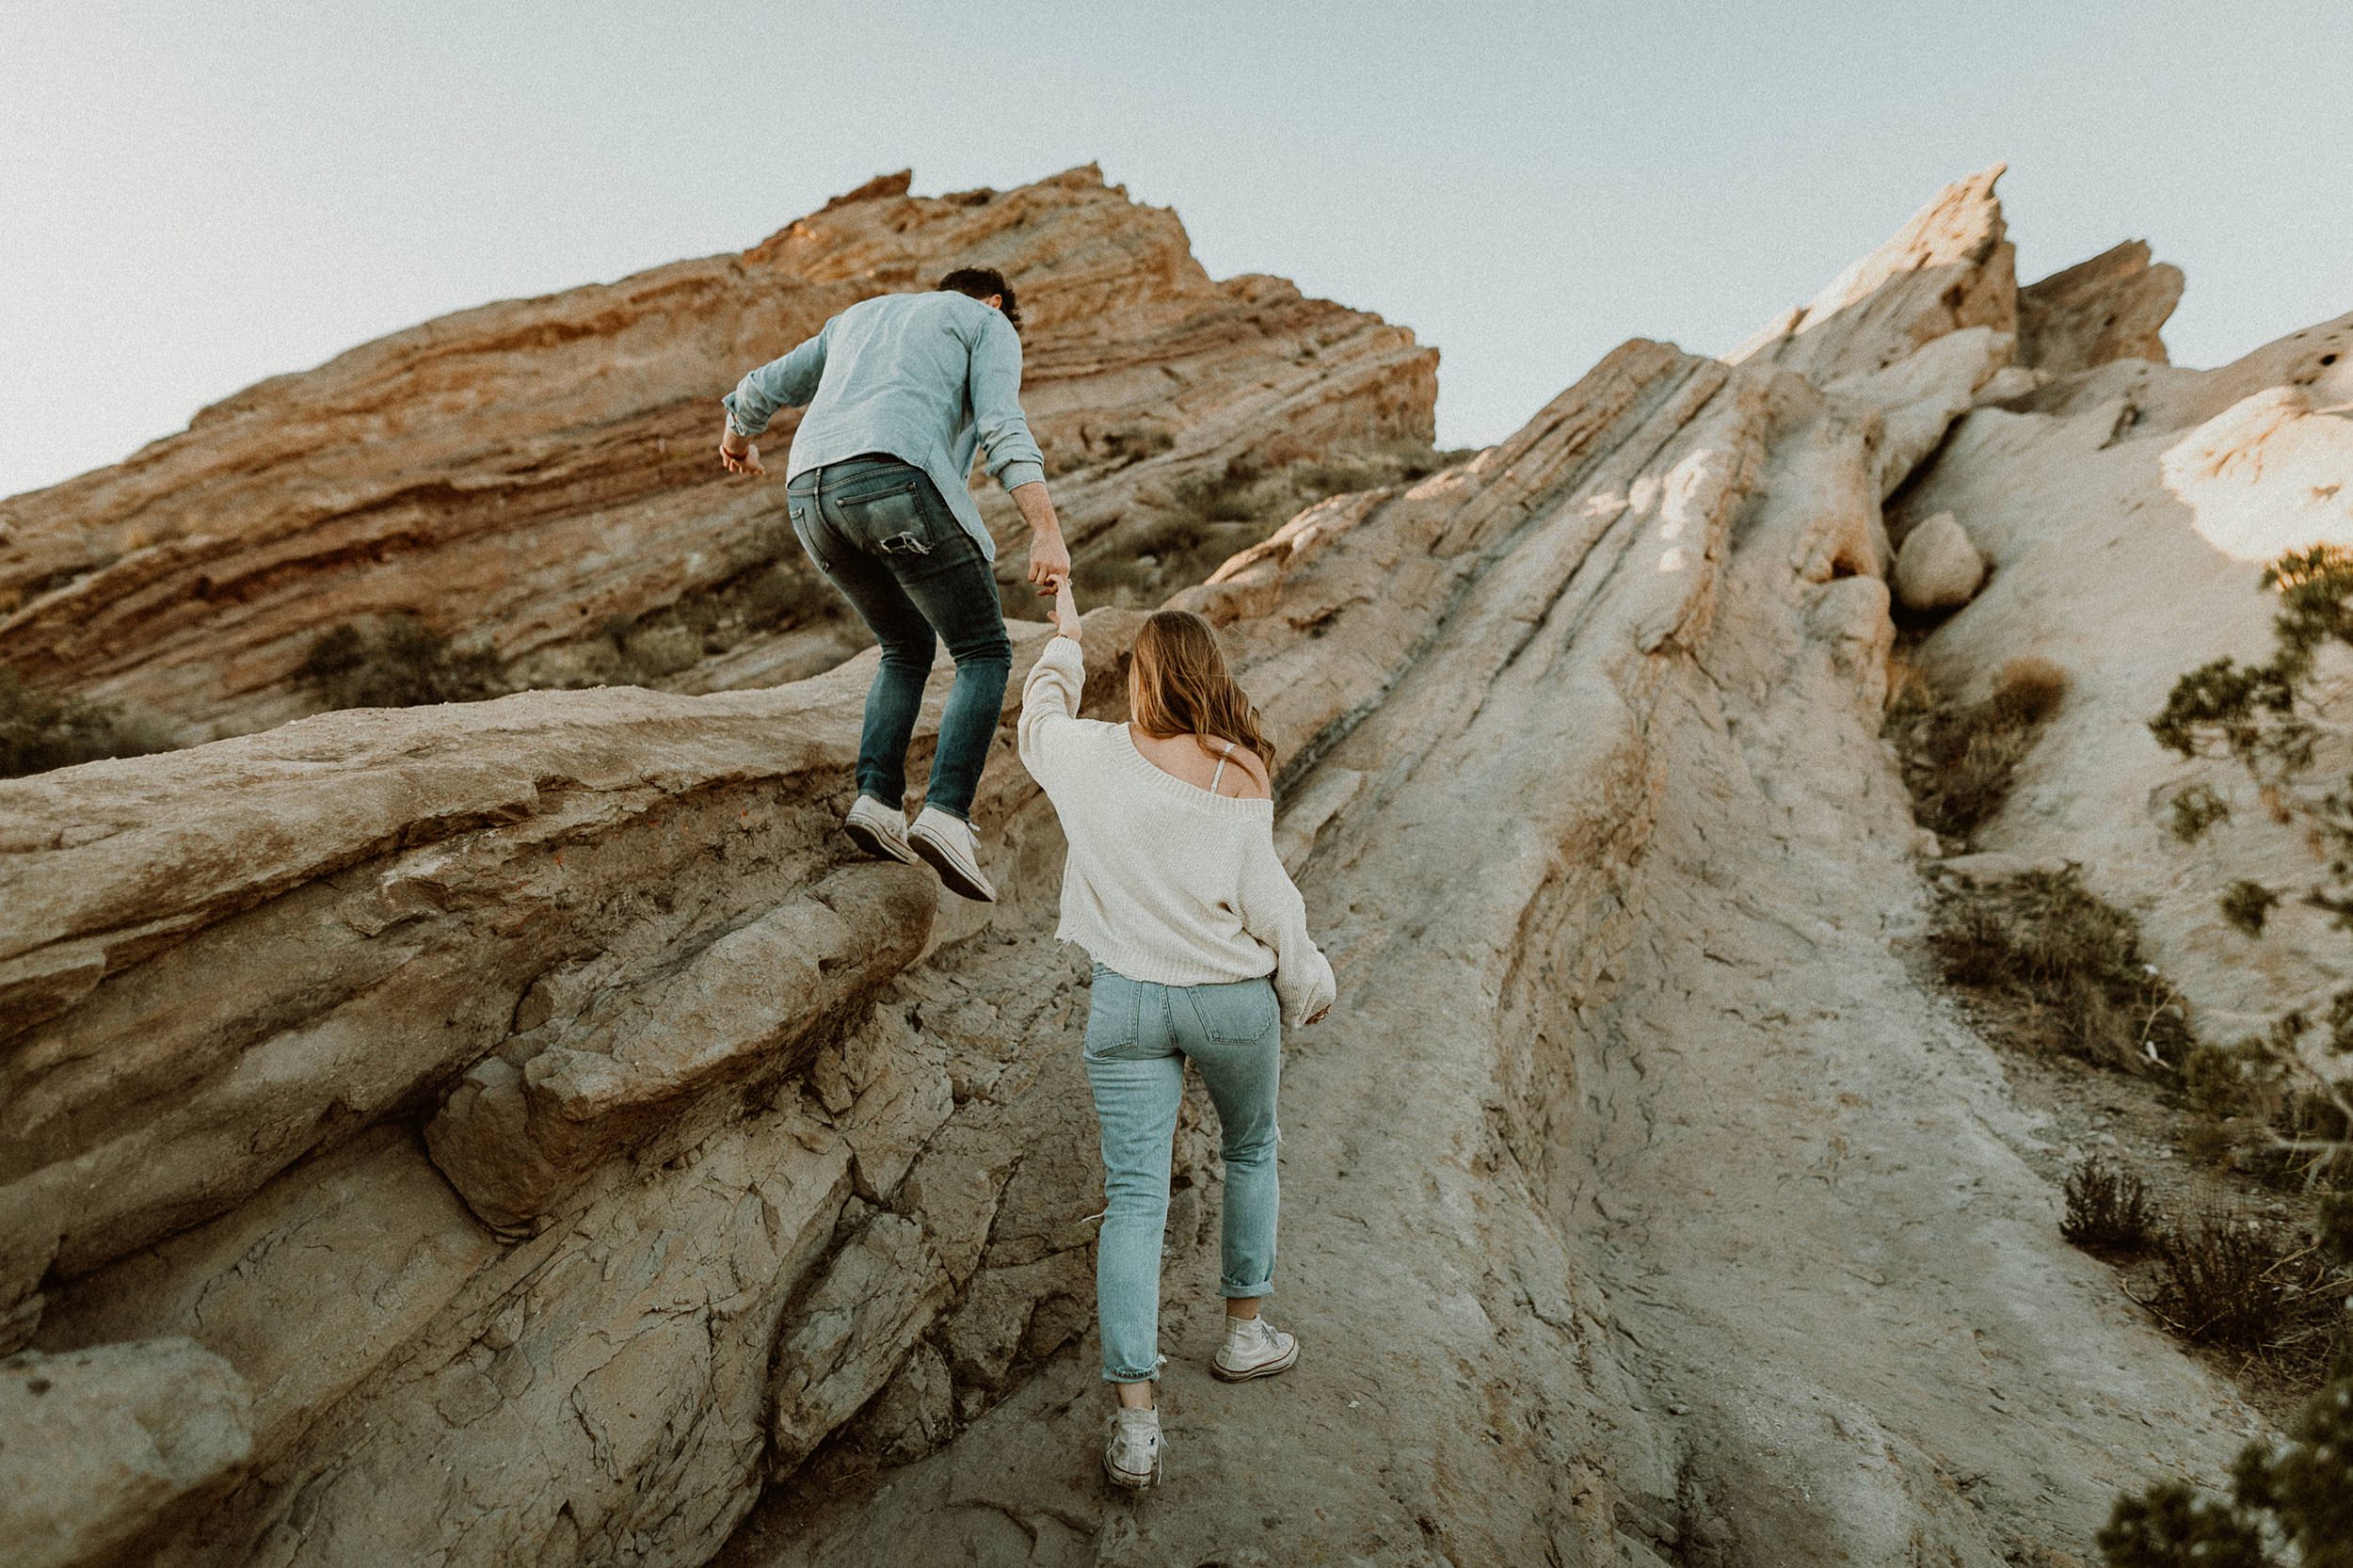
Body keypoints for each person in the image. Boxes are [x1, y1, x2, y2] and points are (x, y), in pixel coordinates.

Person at [1016, 571, 1336, 1491]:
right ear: (1209, 672)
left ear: (1140, 676)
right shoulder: (1238, 768)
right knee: (1251, 1149)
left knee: (1133, 1201)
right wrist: (1304, 974)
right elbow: (1269, 899)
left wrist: (1065, 641)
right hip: (1227, 1000)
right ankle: (1244, 1336)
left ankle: (1135, 1422)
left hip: (1126, 1002)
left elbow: (1037, 717)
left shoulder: (1088, 754)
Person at [717, 266, 1069, 902]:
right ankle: (946, 813)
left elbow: (762, 387)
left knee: (905, 646)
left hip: (808, 496)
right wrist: (1045, 529)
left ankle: (877, 802)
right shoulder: (986, 322)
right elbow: (1002, 426)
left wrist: (737, 444)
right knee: (983, 651)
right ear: (994, 302)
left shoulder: (857, 318)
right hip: (895, 479)